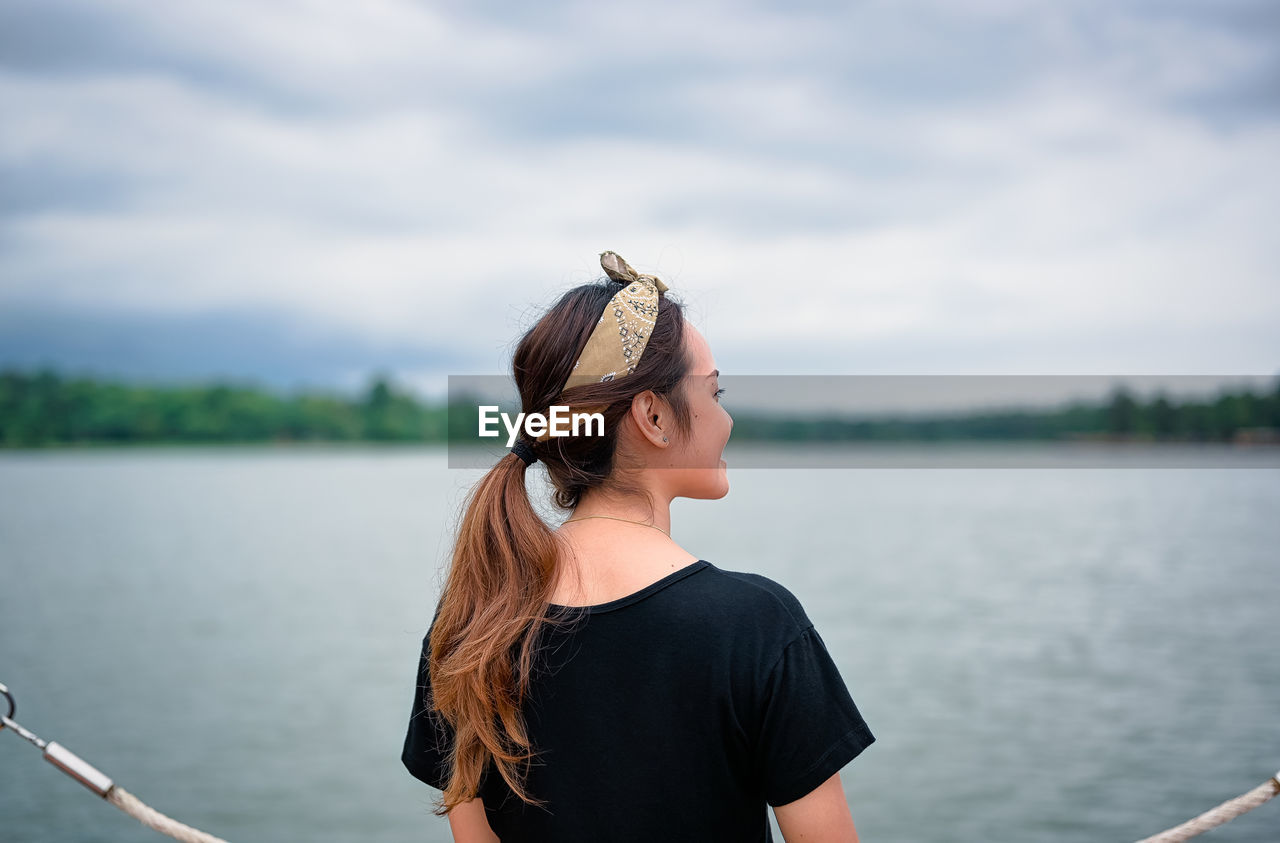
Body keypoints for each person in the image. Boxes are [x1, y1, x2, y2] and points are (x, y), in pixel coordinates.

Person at [402, 252, 875, 841]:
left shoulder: (471, 623)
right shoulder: (754, 625)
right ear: (653, 414)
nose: (726, 419)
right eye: (716, 392)